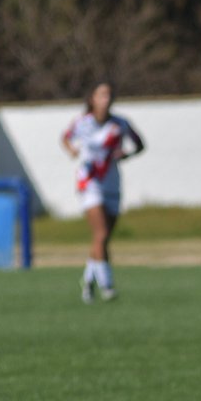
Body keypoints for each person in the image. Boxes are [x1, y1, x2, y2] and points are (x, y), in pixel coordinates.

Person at [60, 81, 145, 303]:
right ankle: (107, 286)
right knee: (101, 234)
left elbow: (140, 144)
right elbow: (65, 137)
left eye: (109, 95)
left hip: (112, 183)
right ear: (92, 99)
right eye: (101, 95)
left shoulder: (120, 124)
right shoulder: (82, 123)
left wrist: (126, 155)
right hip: (90, 182)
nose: (105, 99)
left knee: (102, 240)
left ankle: (88, 281)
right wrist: (72, 150)